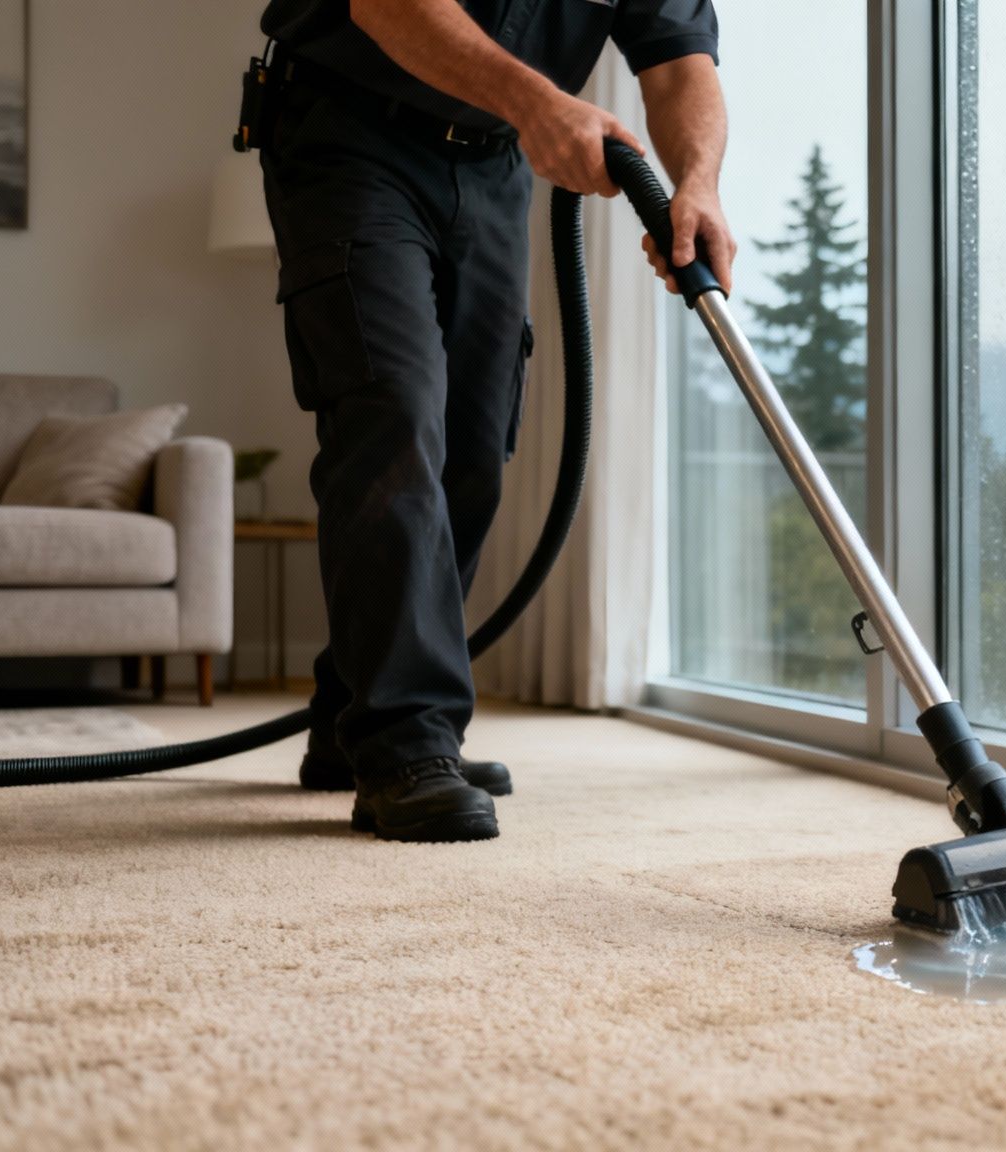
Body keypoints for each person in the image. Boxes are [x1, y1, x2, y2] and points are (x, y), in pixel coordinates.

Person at [255, 0, 736, 843]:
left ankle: (352, 716)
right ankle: (405, 740)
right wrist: (539, 104)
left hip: (489, 164)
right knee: (392, 415)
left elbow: (679, 63)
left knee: (474, 445)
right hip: (347, 135)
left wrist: (696, 184)